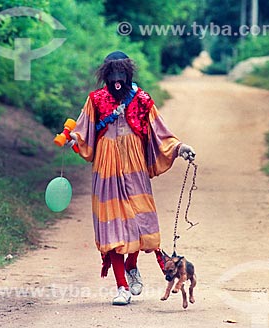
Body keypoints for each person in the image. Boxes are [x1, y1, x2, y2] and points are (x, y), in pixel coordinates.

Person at [69, 51, 195, 305]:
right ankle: (122, 287)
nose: (117, 79)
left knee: (139, 222)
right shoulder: (95, 100)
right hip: (106, 168)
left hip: (135, 166)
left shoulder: (142, 100)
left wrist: (180, 148)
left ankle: (132, 264)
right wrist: (73, 138)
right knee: (113, 226)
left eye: (121, 73)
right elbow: (82, 130)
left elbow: (161, 131)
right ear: (106, 74)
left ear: (128, 74)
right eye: (112, 73)